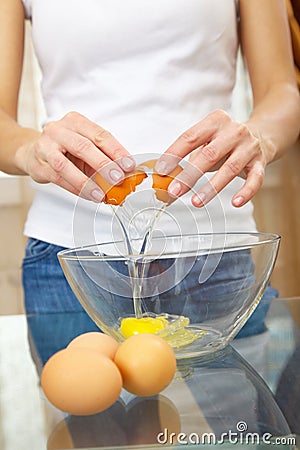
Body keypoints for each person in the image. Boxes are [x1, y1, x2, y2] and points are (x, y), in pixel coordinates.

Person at [0, 1, 299, 336]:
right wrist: (31, 151)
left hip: (217, 246)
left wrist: (259, 136)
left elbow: (281, 91)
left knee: (249, 388)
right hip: (71, 255)